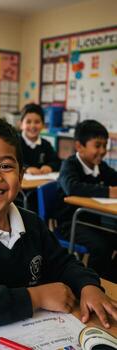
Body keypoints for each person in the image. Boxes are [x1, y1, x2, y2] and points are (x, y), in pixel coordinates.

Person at [0, 114, 117, 333]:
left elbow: (64, 263)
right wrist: (36, 297)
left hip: (31, 331)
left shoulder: (31, 223)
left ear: (20, 176)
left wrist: (88, 285)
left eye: (6, 166)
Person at [56, 119, 117, 282]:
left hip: (94, 222)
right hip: (70, 224)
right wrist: (109, 191)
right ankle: (92, 283)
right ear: (79, 146)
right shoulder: (69, 165)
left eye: (105, 146)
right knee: (101, 247)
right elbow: (72, 188)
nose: (102, 151)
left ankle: (110, 279)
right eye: (97, 146)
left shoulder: (100, 167)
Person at [19, 103, 61, 175]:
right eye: (28, 122)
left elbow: (57, 162)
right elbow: (10, 163)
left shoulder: (46, 144)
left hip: (41, 182)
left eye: (37, 122)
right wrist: (26, 169)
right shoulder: (14, 143)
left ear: (43, 125)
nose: (33, 126)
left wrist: (50, 167)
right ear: (21, 125)